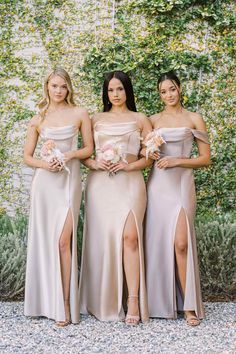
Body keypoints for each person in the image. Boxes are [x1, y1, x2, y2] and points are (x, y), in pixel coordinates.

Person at [79, 70, 152, 325]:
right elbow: (84, 154)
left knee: (130, 237)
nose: (116, 94)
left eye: (120, 89)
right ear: (105, 93)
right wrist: (95, 164)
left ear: (127, 90)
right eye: (111, 90)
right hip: (101, 185)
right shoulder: (94, 118)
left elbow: (149, 156)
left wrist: (130, 167)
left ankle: (132, 299)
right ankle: (106, 299)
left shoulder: (141, 118)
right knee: (106, 242)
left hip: (130, 181)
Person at [24, 68, 93, 326]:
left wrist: (68, 155)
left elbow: (88, 148)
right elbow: (28, 156)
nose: (59, 91)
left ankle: (65, 302)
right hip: (45, 185)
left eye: (63, 86)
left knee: (64, 240)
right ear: (47, 87)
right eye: (54, 86)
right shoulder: (38, 118)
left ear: (69, 88)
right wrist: (46, 164)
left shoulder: (80, 114)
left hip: (69, 182)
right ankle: (50, 301)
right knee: (49, 242)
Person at [144, 71, 211, 326]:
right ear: (159, 94)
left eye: (172, 89)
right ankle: (161, 303)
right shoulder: (152, 120)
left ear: (179, 89)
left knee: (181, 243)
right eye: (163, 91)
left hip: (182, 184)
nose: (168, 95)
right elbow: (145, 156)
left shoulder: (195, 119)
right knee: (159, 243)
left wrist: (177, 160)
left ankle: (189, 306)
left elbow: (205, 158)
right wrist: (149, 151)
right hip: (158, 186)